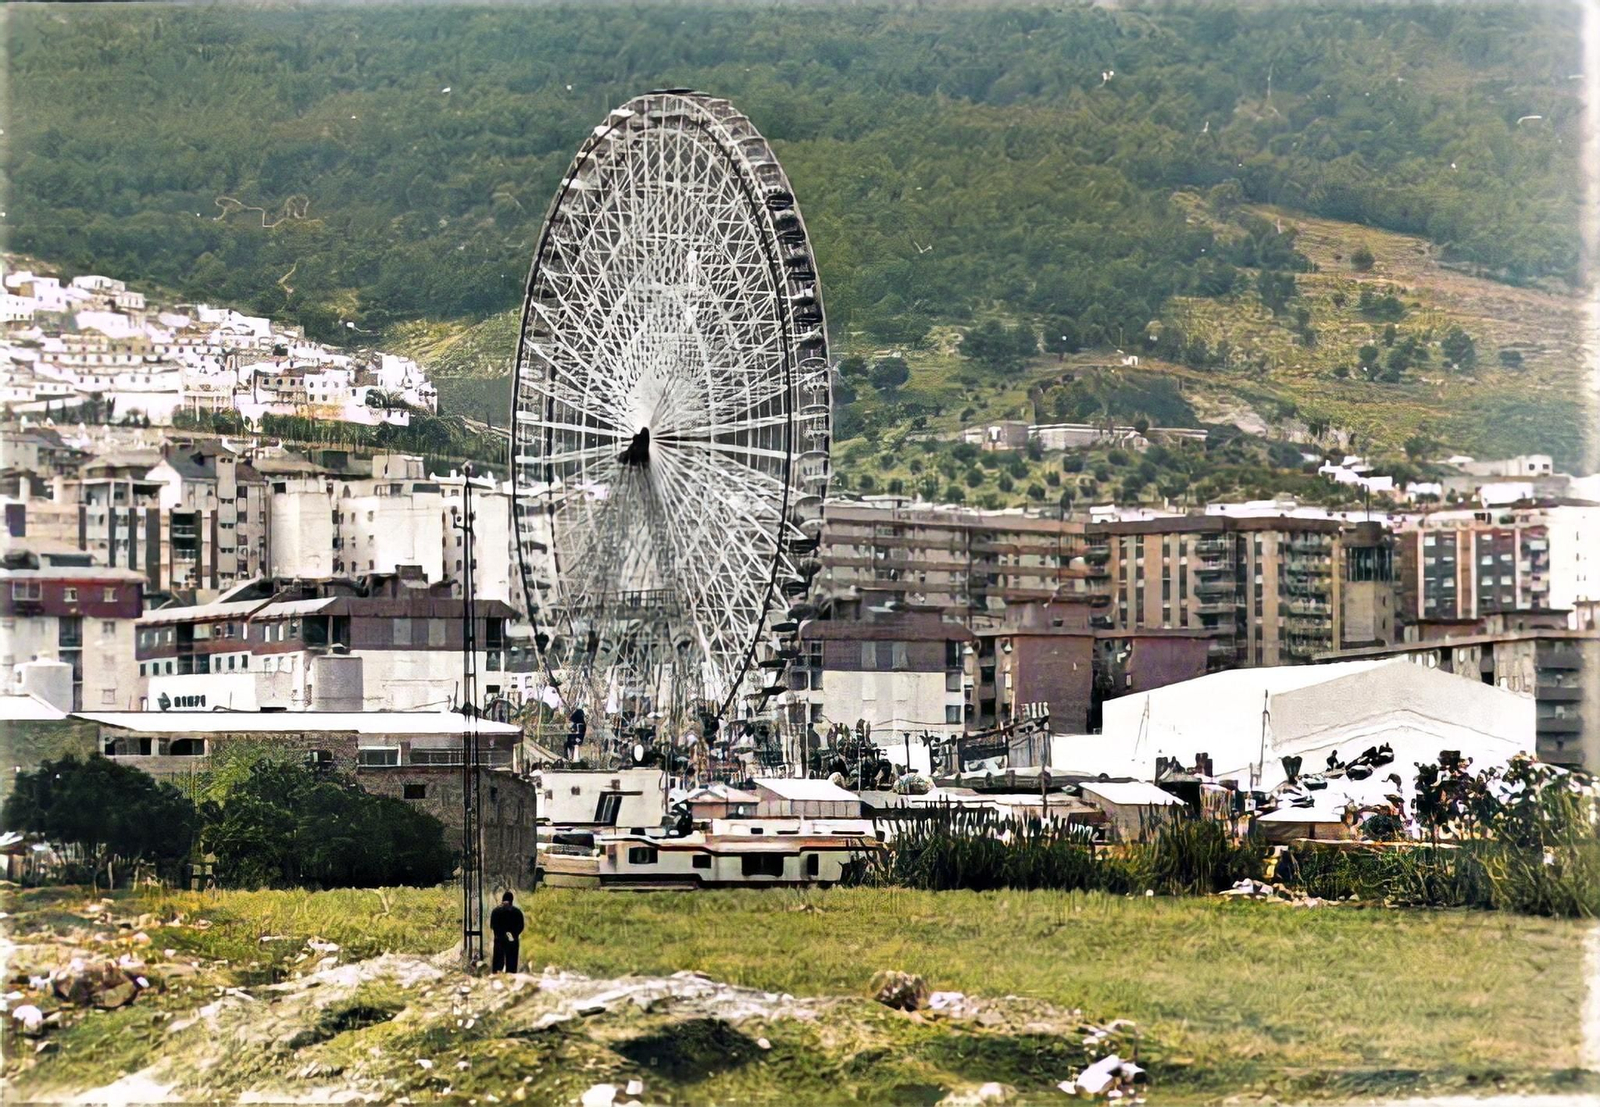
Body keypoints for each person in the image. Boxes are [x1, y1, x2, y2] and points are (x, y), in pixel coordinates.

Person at [489, 890, 524, 973]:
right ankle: (511, 982)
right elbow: (520, 926)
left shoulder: (495, 911)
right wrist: (512, 935)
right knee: (511, 966)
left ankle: (496, 982)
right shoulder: (517, 912)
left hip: (499, 940)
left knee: (498, 965)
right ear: (512, 900)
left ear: (502, 899)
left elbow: (492, 926)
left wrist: (500, 934)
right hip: (512, 940)